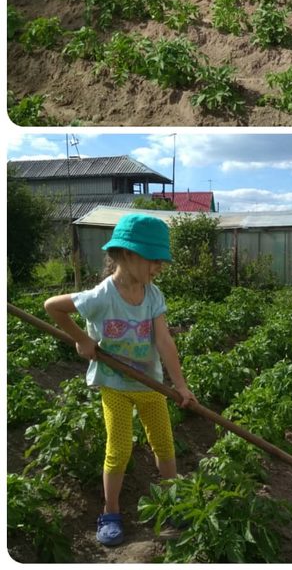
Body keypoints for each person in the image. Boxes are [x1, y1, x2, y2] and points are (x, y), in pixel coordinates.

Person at [44, 213, 196, 547]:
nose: (159, 267)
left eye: (161, 262)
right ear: (128, 255)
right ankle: (110, 511)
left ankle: (173, 501)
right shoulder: (103, 295)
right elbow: (52, 306)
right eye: (154, 260)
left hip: (150, 385)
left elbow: (164, 342)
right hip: (114, 384)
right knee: (120, 447)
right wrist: (81, 340)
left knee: (165, 445)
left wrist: (180, 385)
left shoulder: (153, 295)